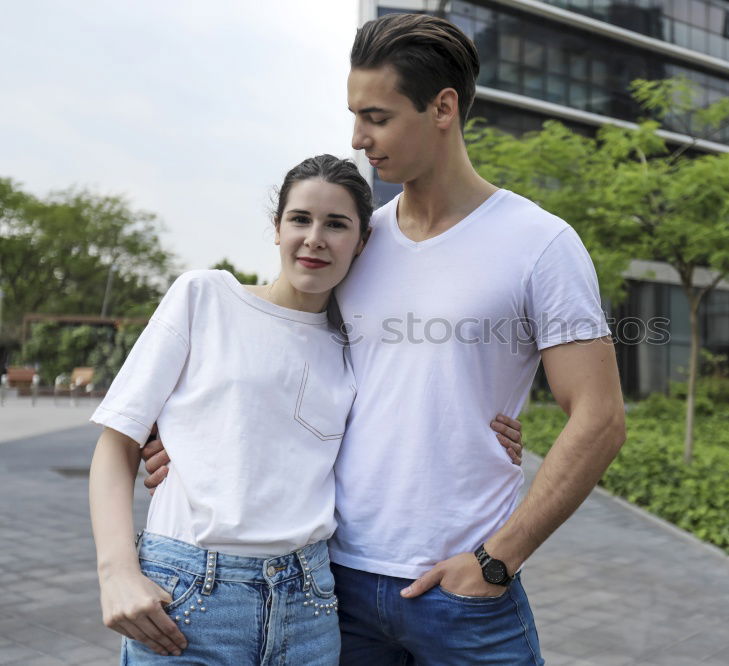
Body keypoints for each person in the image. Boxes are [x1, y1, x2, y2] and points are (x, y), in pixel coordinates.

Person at [146, 12, 626, 665]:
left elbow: (599, 418)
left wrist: (495, 561)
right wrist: (177, 437)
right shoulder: (354, 242)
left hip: (462, 593)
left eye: (376, 116)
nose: (357, 137)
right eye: (354, 116)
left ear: (443, 108)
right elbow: (259, 347)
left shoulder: (539, 244)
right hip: (329, 585)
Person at [89, 155, 523, 664]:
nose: (315, 237)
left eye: (336, 224)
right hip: (188, 593)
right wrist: (116, 572)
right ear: (277, 229)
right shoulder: (205, 297)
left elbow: (412, 413)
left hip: (310, 603)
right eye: (300, 219)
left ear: (362, 243)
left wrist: (487, 434)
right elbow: (118, 441)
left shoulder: (354, 342)